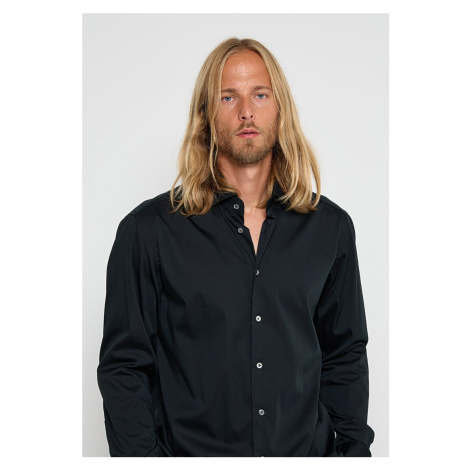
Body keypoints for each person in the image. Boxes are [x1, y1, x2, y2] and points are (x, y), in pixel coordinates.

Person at [97, 37, 375, 457]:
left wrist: (352, 456)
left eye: (260, 94)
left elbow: (345, 355)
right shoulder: (149, 232)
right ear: (206, 115)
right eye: (228, 97)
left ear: (280, 108)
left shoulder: (330, 229)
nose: (247, 111)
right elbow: (125, 368)